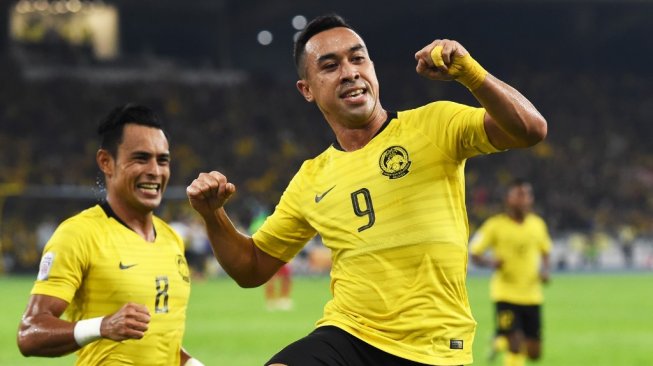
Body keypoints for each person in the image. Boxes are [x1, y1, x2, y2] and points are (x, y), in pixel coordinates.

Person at [186, 14, 547, 366]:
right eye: (330, 66)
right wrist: (212, 214)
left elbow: (529, 129)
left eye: (357, 58)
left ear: (372, 67)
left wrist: (471, 73)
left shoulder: (434, 124)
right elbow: (251, 268)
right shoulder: (311, 178)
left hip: (434, 347)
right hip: (349, 336)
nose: (349, 72)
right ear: (307, 89)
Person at [17, 104, 203, 366]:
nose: (155, 170)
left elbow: (162, 342)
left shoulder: (171, 239)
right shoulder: (79, 234)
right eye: (141, 158)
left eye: (162, 160)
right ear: (106, 162)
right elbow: (29, 333)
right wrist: (102, 326)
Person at [470, 179, 552, 366]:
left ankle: (498, 340)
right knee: (515, 346)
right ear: (508, 199)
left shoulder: (538, 224)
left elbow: (546, 251)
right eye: (519, 195)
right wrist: (491, 262)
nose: (524, 199)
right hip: (505, 294)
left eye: (527, 195)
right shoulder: (494, 225)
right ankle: (505, 338)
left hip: (532, 296)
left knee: (534, 354)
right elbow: (474, 252)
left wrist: (545, 271)